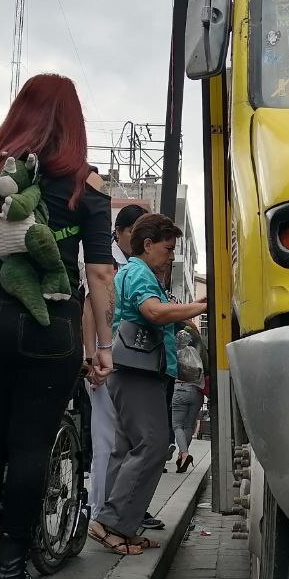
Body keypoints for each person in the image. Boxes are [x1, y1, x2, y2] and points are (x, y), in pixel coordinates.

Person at [0, 73, 115, 579]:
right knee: (28, 448)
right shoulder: (84, 187)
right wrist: (102, 344)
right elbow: (98, 273)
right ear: (74, 123)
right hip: (44, 325)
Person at [90, 214, 206, 555]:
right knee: (154, 444)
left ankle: (122, 526)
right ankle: (109, 523)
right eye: (168, 249)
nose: (171, 256)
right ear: (148, 244)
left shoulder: (137, 272)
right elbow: (153, 312)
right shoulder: (139, 271)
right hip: (139, 372)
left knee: (127, 449)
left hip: (139, 371)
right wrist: (200, 306)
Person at [81, 204, 163, 526]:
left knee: (123, 442)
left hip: (117, 360)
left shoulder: (126, 264)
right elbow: (90, 309)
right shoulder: (109, 262)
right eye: (138, 231)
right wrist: (93, 358)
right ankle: (102, 513)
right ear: (122, 231)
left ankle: (119, 509)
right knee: (108, 442)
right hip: (106, 362)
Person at [169, 323, 205, 475]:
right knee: (189, 426)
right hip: (196, 392)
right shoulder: (194, 352)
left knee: (177, 425)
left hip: (180, 390)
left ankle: (184, 454)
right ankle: (181, 456)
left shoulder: (175, 353)